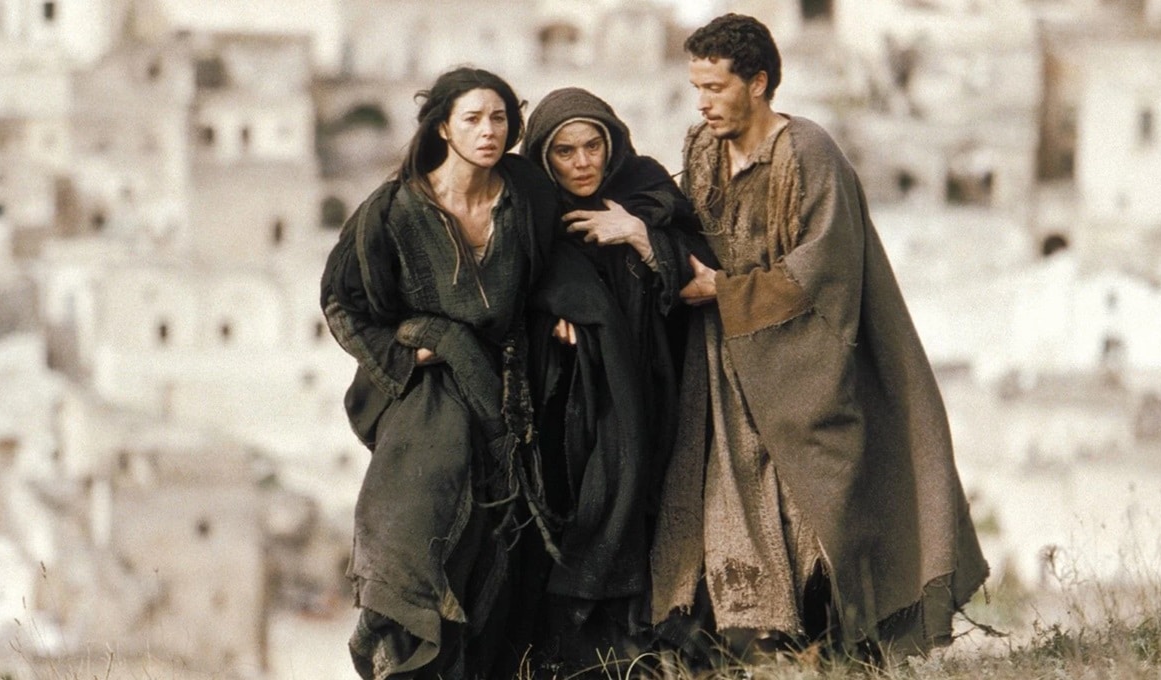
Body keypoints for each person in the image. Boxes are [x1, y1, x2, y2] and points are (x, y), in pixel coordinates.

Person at [649, 13, 990, 665]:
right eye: (697, 89)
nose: (703, 103)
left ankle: (845, 653)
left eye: (716, 88)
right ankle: (745, 652)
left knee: (822, 514)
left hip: (804, 368)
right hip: (722, 372)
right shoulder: (701, 147)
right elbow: (681, 220)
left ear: (758, 83)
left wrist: (726, 291)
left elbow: (823, 270)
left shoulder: (807, 153)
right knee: (728, 506)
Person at [319, 67, 562, 679]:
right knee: (418, 532)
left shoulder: (527, 196)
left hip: (512, 388)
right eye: (473, 119)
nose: (488, 131)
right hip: (428, 398)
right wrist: (414, 349)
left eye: (499, 118)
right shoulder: (395, 210)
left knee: (501, 552)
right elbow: (342, 301)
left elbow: (563, 263)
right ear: (444, 129)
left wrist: (568, 311)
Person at [517, 88, 716, 670]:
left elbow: (702, 276)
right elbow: (514, 289)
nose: (582, 163)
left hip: (656, 384)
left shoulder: (647, 189)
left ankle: (654, 658)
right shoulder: (531, 213)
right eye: (565, 152)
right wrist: (554, 314)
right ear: (544, 157)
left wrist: (637, 233)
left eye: (592, 146)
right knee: (584, 514)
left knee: (653, 511)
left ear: (613, 144)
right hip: (572, 401)